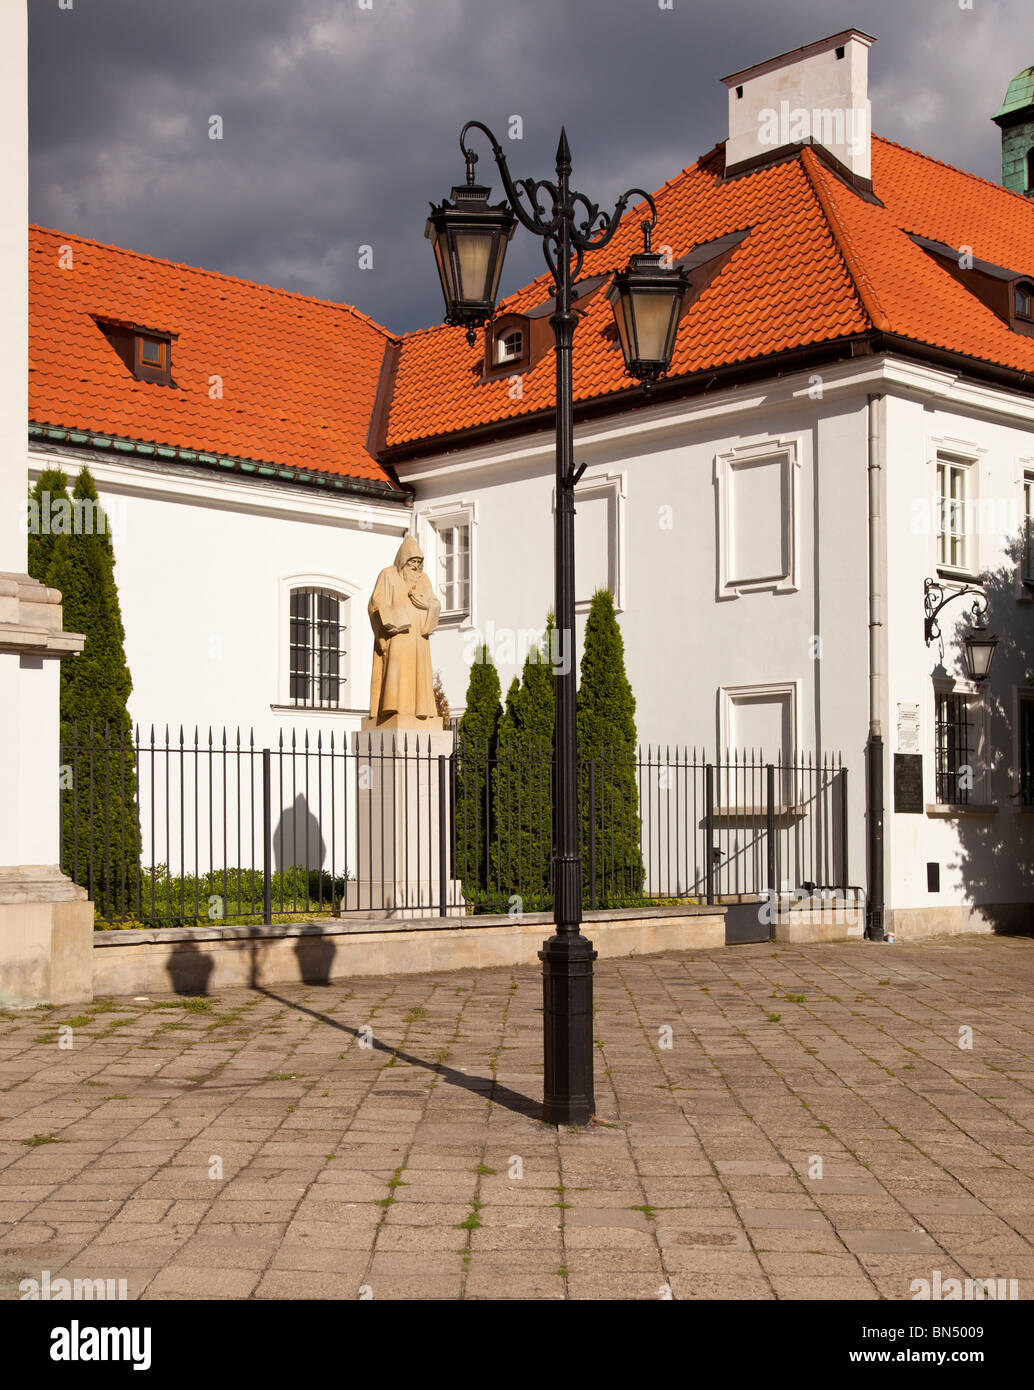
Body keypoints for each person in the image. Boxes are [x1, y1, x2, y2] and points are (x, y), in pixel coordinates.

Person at [367, 534, 442, 726]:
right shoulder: (388, 575)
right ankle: (395, 707)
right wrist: (387, 622)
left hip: (419, 636)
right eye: (412, 561)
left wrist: (428, 605)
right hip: (398, 635)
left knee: (419, 674)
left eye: (419, 562)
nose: (416, 566)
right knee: (396, 672)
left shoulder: (423, 579)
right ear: (403, 560)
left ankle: (419, 710)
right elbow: (376, 603)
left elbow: (434, 602)